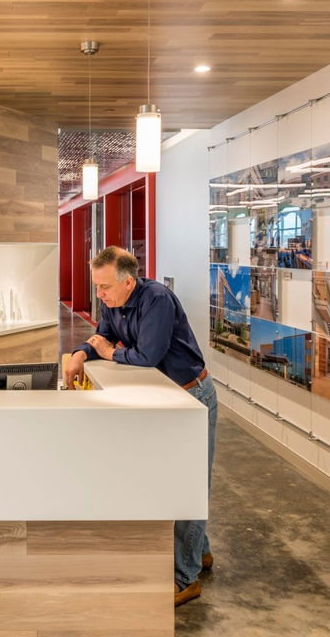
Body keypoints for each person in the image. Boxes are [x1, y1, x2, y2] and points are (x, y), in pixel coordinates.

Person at [63, 246, 217, 607]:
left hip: (191, 397)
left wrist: (107, 352)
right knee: (176, 480)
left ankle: (185, 578)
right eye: (96, 287)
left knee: (190, 485)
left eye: (104, 288)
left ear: (128, 282)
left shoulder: (157, 300)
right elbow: (100, 334)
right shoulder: (111, 300)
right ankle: (200, 553)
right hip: (161, 398)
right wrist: (81, 353)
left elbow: (148, 355)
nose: (99, 295)